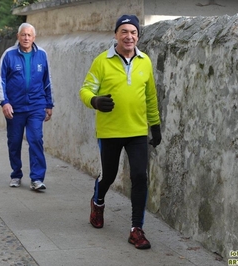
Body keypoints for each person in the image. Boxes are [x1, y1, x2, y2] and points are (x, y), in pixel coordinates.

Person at [79, 14, 162, 249]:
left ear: (138, 35)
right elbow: (85, 90)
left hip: (137, 130)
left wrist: (154, 125)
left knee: (139, 176)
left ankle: (136, 229)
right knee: (109, 175)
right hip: (110, 131)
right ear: (116, 35)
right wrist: (94, 101)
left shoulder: (145, 61)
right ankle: (98, 201)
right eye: (124, 31)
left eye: (133, 32)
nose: (129, 36)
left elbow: (150, 96)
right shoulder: (102, 61)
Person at [0, 23, 54, 191]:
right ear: (18, 37)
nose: (26, 38)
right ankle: (16, 174)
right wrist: (4, 102)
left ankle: (37, 178)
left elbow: (47, 81)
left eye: (29, 35)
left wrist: (49, 103)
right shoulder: (9, 55)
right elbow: (0, 79)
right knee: (14, 142)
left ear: (34, 38)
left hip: (36, 105)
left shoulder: (42, 54)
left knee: (35, 139)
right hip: (15, 107)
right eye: (23, 35)